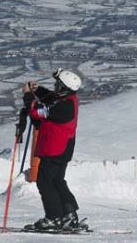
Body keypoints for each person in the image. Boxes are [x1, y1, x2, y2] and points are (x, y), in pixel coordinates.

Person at [22, 68, 83, 231]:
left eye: (58, 85)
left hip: (55, 149)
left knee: (45, 182)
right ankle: (69, 215)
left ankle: (53, 217)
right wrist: (37, 90)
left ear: (65, 88)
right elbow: (51, 99)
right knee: (57, 181)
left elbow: (37, 112)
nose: (56, 87)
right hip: (61, 148)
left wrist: (28, 96)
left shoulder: (64, 107)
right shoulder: (67, 100)